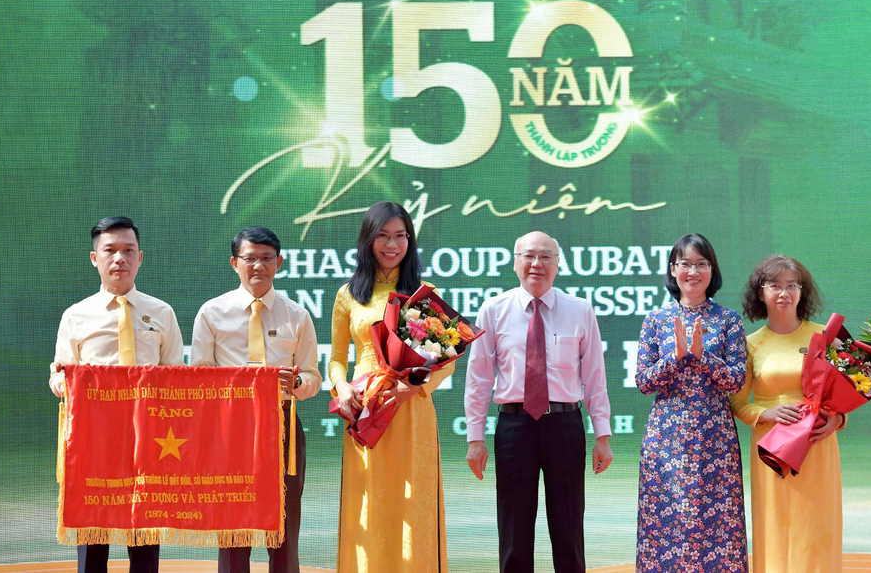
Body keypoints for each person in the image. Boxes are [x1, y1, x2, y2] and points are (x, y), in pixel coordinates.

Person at [465, 231, 613, 573]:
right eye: (529, 256)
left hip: (565, 425)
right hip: (514, 427)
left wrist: (602, 436)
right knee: (514, 528)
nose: (537, 264)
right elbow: (479, 379)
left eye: (546, 256)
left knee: (569, 526)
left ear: (558, 264)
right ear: (515, 262)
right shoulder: (493, 310)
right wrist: (476, 439)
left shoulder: (580, 310)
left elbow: (594, 378)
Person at [49, 216, 184, 573]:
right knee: (93, 536)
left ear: (141, 258)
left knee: (143, 538)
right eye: (110, 251)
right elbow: (60, 378)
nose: (119, 259)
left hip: (149, 439)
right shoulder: (76, 316)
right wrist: (66, 382)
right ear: (95, 258)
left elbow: (175, 377)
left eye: (128, 251)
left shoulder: (162, 313)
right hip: (94, 440)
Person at [329, 201, 452, 573]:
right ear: (368, 239)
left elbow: (448, 358)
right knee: (368, 503)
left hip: (412, 411)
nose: (392, 244)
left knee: (414, 505)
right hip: (366, 410)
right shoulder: (349, 294)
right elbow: (336, 358)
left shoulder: (424, 293)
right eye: (382, 235)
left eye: (400, 236)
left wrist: (415, 388)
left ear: (410, 241)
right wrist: (342, 387)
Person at [190, 226, 321, 573]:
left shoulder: (297, 315)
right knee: (233, 529)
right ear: (235, 263)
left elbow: (312, 377)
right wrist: (243, 382)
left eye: (266, 258)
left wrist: (296, 382)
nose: (258, 266)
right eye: (250, 258)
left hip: (283, 427)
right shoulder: (211, 312)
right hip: (229, 429)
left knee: (284, 527)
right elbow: (199, 375)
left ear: (279, 262)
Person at [634, 233, 748, 572]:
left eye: (701, 264)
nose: (693, 272)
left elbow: (737, 380)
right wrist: (677, 355)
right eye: (685, 264)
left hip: (715, 437)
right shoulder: (655, 321)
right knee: (665, 525)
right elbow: (644, 382)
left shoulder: (729, 321)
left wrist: (702, 357)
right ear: (673, 270)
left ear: (712, 271)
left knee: (718, 526)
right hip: (666, 439)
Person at [729, 255, 844, 572]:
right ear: (760, 292)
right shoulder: (750, 344)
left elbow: (844, 392)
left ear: (802, 290)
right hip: (772, 446)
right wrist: (767, 413)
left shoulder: (824, 334)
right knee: (776, 524)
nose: (784, 292)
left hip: (818, 444)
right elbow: (737, 403)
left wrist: (837, 419)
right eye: (775, 285)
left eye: (791, 285)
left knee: (817, 522)